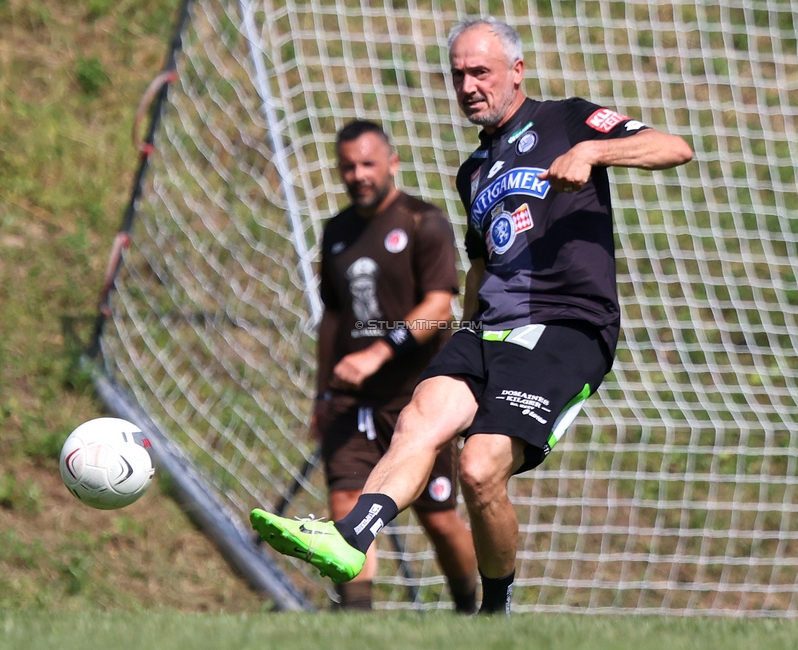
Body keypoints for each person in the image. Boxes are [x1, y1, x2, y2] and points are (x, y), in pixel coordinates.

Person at [251, 18, 693, 615]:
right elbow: (482, 266)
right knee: (420, 420)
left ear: (517, 72)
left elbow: (674, 147)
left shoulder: (568, 120)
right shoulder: (473, 173)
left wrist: (591, 151)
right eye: (457, 74)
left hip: (565, 326)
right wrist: (462, 330)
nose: (467, 85)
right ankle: (350, 537)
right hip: (485, 331)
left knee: (480, 467)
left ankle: (495, 609)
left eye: (480, 71)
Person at [304, 119, 478, 612]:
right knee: (346, 509)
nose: (357, 175)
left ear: (392, 164)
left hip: (415, 401)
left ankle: (476, 612)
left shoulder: (424, 223)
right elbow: (332, 319)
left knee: (440, 520)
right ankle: (357, 625)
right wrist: (321, 394)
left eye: (367, 164)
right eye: (347, 167)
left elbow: (438, 308)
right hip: (351, 402)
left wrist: (377, 353)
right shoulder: (336, 231)